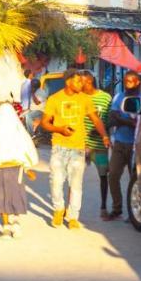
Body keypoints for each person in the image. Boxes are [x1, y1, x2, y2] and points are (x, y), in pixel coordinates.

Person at [39, 69, 108, 229]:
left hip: (78, 148)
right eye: (78, 81)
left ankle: (73, 216)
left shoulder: (84, 99)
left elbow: (95, 119)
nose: (81, 84)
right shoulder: (54, 99)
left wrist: (104, 135)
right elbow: (45, 122)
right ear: (68, 81)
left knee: (76, 184)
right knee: (56, 181)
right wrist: (60, 129)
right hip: (59, 146)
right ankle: (58, 208)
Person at [0, 102, 38, 238]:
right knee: (16, 194)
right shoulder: (19, 130)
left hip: (0, 168)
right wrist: (28, 167)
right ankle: (15, 222)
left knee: (1, 196)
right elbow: (27, 148)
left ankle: (6, 227)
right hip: (17, 168)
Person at [105, 71, 141, 221]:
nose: (127, 84)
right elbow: (113, 116)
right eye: (126, 81)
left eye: (130, 82)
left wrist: (123, 119)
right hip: (120, 142)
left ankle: (134, 213)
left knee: (135, 180)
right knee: (113, 175)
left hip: (137, 144)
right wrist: (129, 122)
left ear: (137, 82)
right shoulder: (119, 97)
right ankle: (117, 208)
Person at [80, 71, 115, 220]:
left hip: (100, 145)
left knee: (103, 176)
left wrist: (102, 129)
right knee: (73, 176)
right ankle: (68, 209)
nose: (78, 85)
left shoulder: (106, 98)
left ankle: (103, 207)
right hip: (80, 145)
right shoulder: (78, 98)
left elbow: (110, 120)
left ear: (89, 81)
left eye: (81, 82)